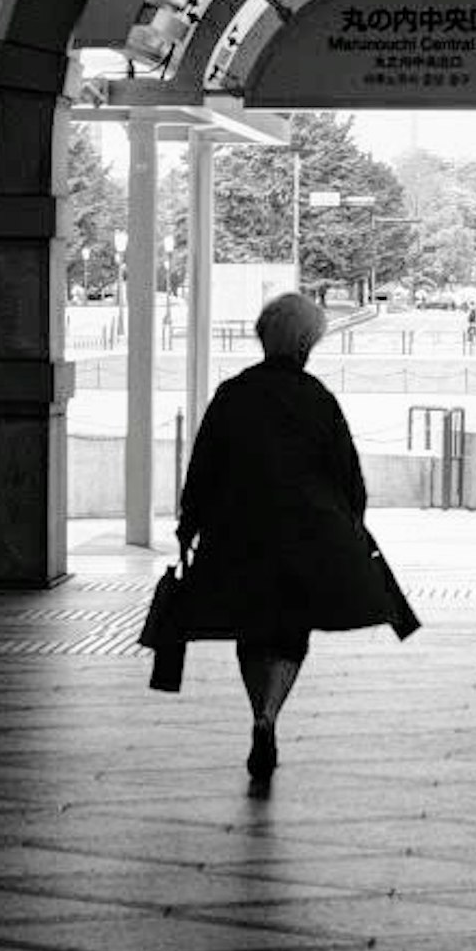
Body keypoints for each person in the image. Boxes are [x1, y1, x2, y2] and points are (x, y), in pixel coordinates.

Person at [173, 289, 385, 783]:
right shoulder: (317, 399)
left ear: (263, 337)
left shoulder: (232, 394)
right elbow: (348, 476)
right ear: (307, 344)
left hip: (238, 530)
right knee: (292, 629)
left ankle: (256, 711)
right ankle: (270, 713)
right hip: (306, 535)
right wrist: (352, 526)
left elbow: (203, 466)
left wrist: (189, 524)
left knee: (251, 628)